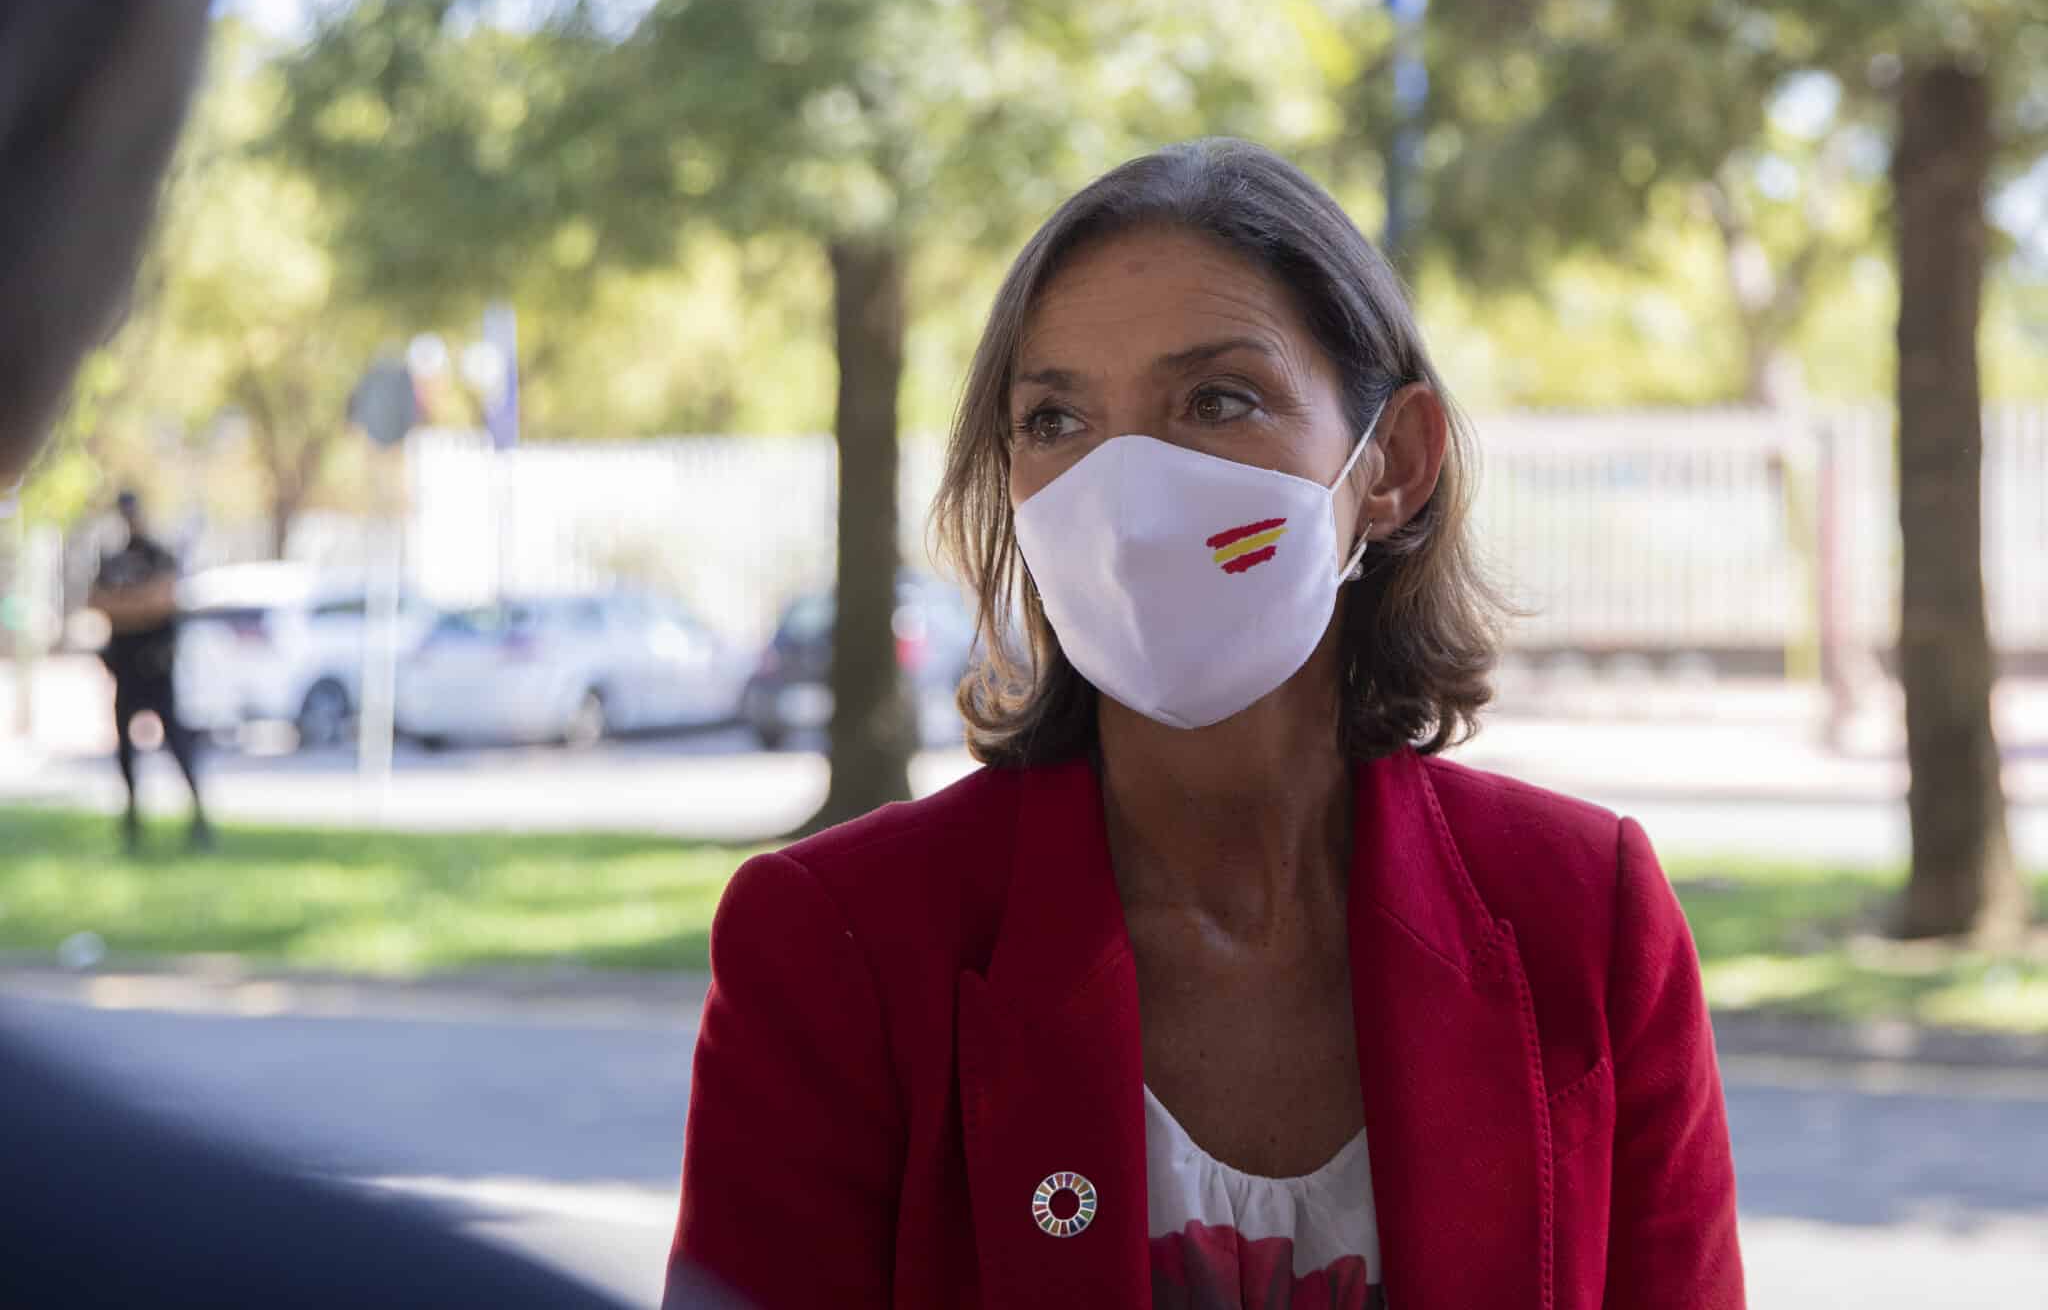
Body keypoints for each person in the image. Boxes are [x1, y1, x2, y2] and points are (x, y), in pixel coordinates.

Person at [670, 139, 1745, 1309]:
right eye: (1055, 419)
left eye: (1217, 400)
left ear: (1391, 462)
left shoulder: (1583, 919)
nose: (1126, 498)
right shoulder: (840, 948)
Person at [0, 0, 742, 1305]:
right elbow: (115, 606)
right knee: (137, 767)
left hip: (152, 670)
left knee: (179, 757)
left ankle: (191, 837)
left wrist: (136, 616)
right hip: (123, 669)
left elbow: (152, 604)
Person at [89, 488, 211, 852]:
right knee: (125, 750)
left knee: (176, 742)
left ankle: (199, 819)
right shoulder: (112, 561)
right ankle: (132, 823)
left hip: (157, 667)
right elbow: (97, 602)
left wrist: (128, 607)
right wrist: (136, 606)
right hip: (124, 669)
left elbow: (164, 599)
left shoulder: (159, 555)